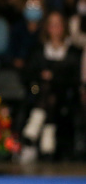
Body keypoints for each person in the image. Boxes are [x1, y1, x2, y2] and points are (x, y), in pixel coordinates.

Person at [22, 11, 82, 162]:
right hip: (38, 92)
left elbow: (75, 79)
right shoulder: (38, 50)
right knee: (46, 93)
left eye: (58, 25)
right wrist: (41, 76)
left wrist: (55, 77)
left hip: (65, 95)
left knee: (50, 93)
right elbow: (28, 74)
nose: (55, 29)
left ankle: (32, 132)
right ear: (47, 28)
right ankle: (47, 146)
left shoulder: (74, 52)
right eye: (52, 25)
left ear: (64, 27)